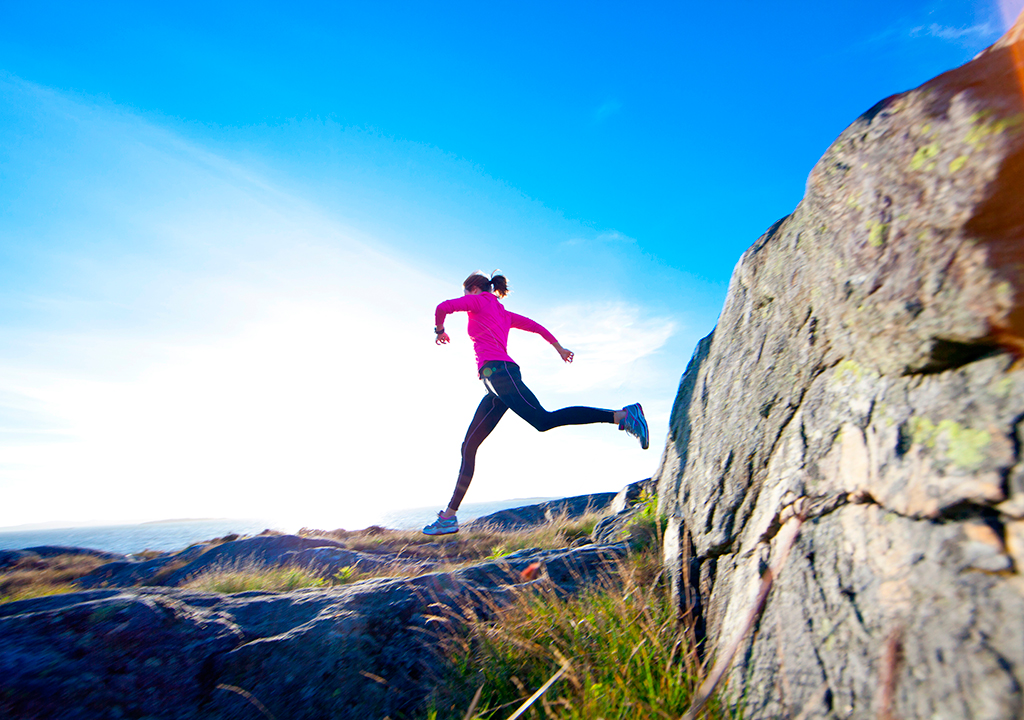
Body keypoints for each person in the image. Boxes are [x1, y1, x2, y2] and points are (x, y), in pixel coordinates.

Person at [423, 270, 649, 536]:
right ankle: (449, 517)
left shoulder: (479, 301)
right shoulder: (503, 313)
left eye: (465, 293)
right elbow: (536, 326)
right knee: (469, 444)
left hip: (500, 373)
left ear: (472, 289)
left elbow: (442, 308)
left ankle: (623, 416)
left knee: (543, 420)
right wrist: (559, 348)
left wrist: (440, 331)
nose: (464, 298)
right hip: (495, 381)